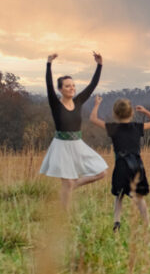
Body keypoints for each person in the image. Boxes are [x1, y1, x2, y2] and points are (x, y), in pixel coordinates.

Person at [39, 52, 109, 209]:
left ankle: (72, 186)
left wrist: (99, 65)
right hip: (61, 146)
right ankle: (64, 213)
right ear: (60, 89)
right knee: (67, 181)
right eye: (67, 86)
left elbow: (92, 85)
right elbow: (49, 85)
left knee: (102, 172)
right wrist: (49, 63)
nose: (72, 88)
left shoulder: (78, 101)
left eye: (73, 85)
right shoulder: (56, 104)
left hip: (78, 144)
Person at [89, 96, 150, 231]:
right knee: (139, 197)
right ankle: (147, 224)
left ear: (114, 114)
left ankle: (117, 222)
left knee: (119, 195)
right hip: (136, 165)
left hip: (121, 165)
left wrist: (97, 104)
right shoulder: (137, 127)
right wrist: (145, 111)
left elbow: (93, 119)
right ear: (132, 113)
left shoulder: (113, 128)